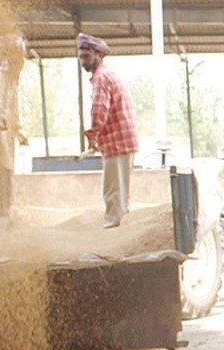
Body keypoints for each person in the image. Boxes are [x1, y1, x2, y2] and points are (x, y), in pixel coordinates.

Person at [77, 33, 137, 228]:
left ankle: (113, 226)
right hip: (122, 137)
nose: (82, 61)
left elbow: (99, 109)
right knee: (120, 188)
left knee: (113, 188)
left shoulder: (101, 77)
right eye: (80, 56)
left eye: (85, 56)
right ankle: (121, 222)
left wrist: (92, 135)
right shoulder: (106, 74)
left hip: (115, 139)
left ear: (97, 55)